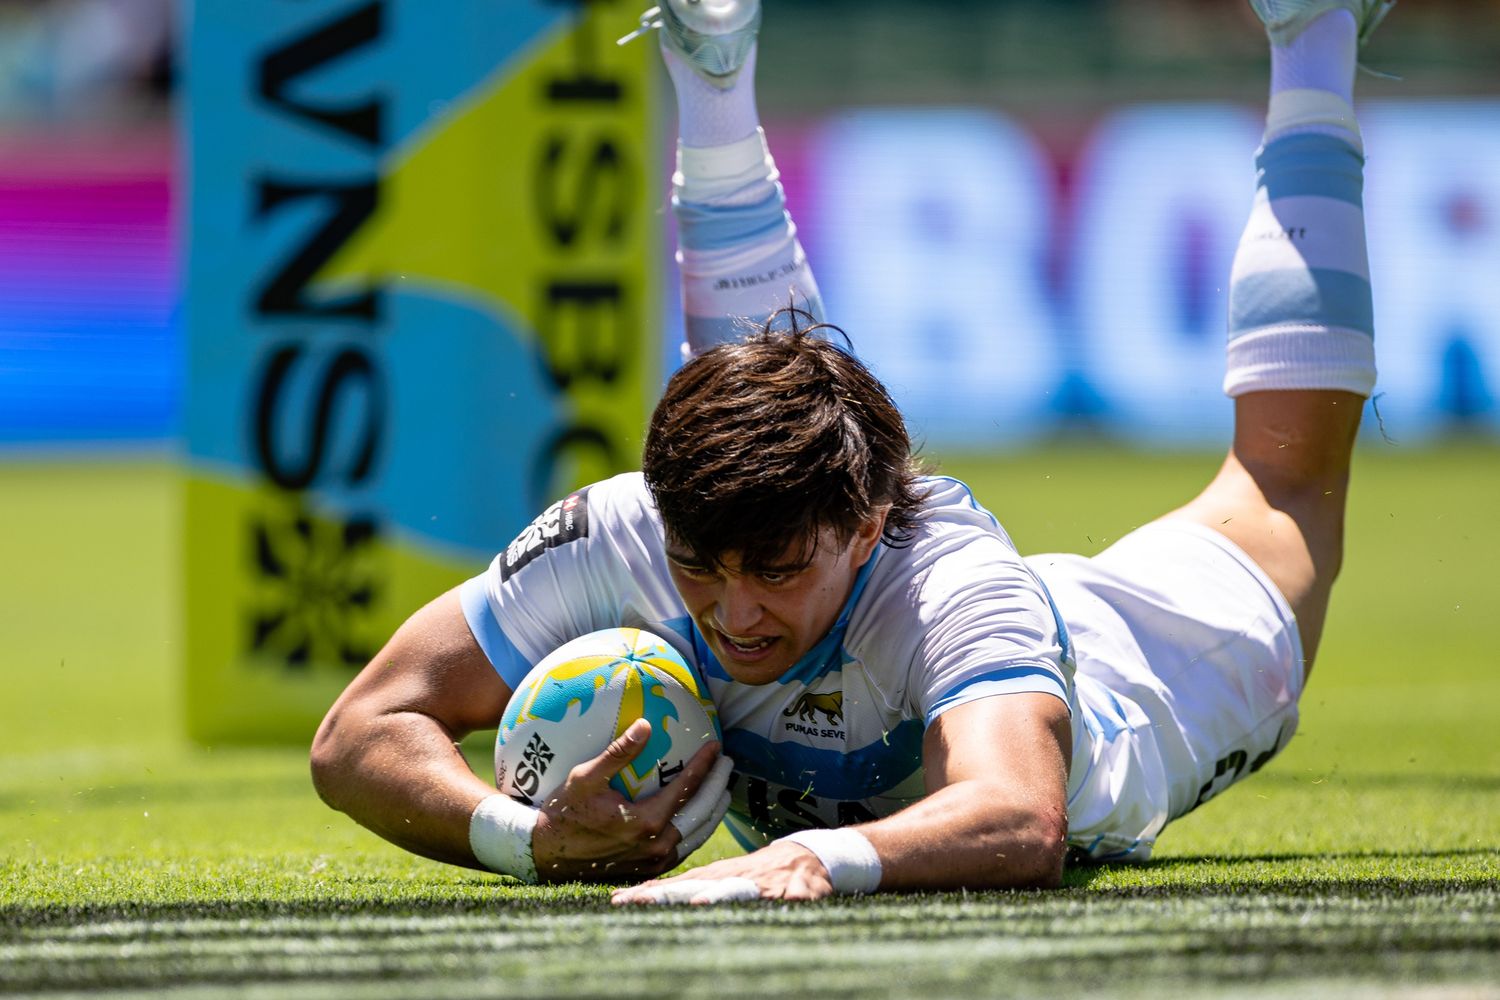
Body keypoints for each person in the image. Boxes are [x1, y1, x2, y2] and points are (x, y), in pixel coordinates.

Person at [310, 0, 1391, 903]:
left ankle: (1314, 36)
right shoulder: (631, 528)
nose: (732, 614)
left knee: (1284, 485)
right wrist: (527, 838)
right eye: (702, 567)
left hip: (1143, 667)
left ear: (870, 523)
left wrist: (809, 860)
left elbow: (1021, 815)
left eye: (775, 571)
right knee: (761, 390)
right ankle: (713, 69)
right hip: (925, 628)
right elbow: (358, 731)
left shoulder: (950, 584)